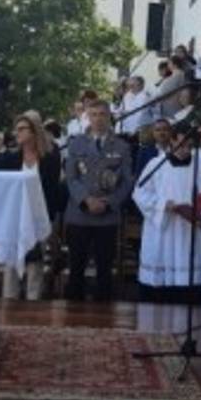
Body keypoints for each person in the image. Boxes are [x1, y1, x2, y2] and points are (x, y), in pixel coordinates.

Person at [133, 130, 201, 303]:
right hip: (164, 231)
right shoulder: (156, 164)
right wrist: (164, 205)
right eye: (181, 145)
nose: (185, 150)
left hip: (191, 232)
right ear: (172, 141)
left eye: (190, 146)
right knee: (160, 284)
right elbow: (139, 193)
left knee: (190, 282)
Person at [62, 101, 133, 301]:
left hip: (107, 215)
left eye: (102, 114)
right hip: (79, 214)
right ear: (87, 117)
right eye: (93, 114)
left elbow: (127, 181)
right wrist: (85, 200)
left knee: (104, 271)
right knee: (76, 268)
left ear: (109, 116)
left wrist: (108, 202)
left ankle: (104, 318)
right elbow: (71, 177)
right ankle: (72, 317)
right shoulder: (75, 143)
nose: (98, 118)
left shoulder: (122, 146)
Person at [0, 111, 64, 300]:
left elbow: (52, 190)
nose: (17, 133)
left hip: (39, 217)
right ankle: (9, 303)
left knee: (35, 266)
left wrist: (46, 218)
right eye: (16, 129)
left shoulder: (50, 158)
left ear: (34, 131)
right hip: (14, 217)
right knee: (11, 265)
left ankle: (33, 306)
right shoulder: (10, 159)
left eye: (22, 129)